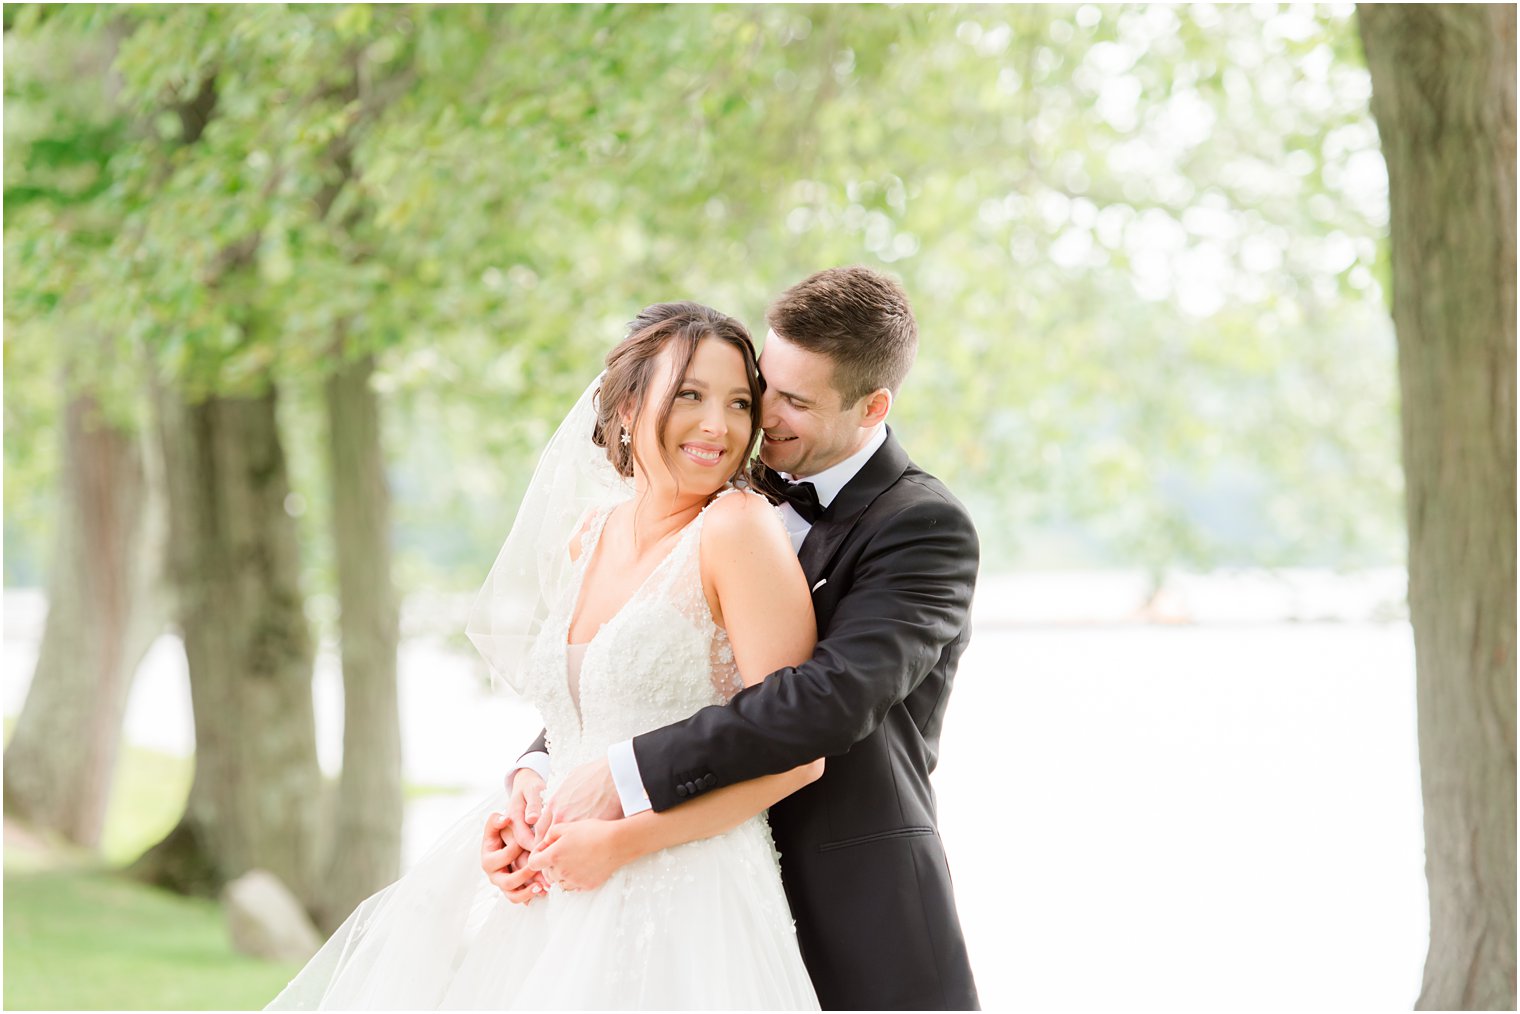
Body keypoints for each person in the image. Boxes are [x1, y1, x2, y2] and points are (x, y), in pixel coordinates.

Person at [269, 302, 825, 1009]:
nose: (718, 424)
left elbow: (797, 754)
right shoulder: (588, 535)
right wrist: (526, 797)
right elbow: (584, 719)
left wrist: (623, 845)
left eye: (739, 402)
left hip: (688, 896)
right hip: (556, 896)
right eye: (690, 395)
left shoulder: (738, 529)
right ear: (625, 406)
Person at [488, 267, 981, 1010]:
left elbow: (822, 701)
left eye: (794, 402)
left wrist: (622, 778)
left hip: (845, 900)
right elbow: (634, 671)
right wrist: (542, 778)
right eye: (765, 388)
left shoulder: (920, 528)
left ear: (872, 405)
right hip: (667, 891)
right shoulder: (703, 510)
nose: (761, 419)